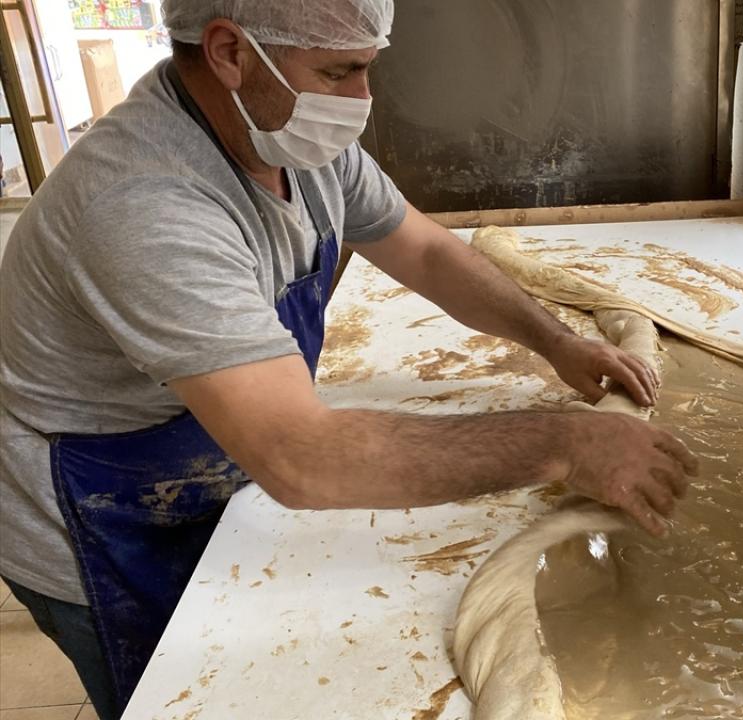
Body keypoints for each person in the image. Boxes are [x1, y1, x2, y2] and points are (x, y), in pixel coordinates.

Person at [0, 1, 698, 717]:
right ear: (230, 52)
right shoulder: (145, 207)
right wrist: (566, 444)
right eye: (339, 72)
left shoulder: (287, 140)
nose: (363, 98)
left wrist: (556, 342)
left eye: (368, 67)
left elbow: (424, 251)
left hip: (220, 452)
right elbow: (299, 456)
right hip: (104, 516)